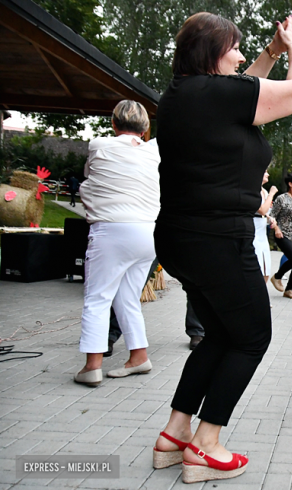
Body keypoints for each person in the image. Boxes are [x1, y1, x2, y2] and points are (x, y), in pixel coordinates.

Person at [152, 12, 292, 483]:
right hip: (217, 238)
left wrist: (269, 54)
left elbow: (242, 86)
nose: (242, 56)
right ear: (211, 52)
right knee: (251, 336)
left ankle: (174, 435)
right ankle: (206, 445)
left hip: (182, 237)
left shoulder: (183, 95)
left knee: (220, 334)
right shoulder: (213, 94)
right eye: (235, 48)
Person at [74, 100, 160, 387]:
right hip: (148, 233)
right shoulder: (155, 153)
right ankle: (139, 357)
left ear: (113, 125)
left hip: (111, 231)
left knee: (98, 298)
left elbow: (89, 178)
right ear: (146, 129)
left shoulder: (99, 146)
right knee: (127, 298)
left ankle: (92, 367)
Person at [254, 171, 278, 284]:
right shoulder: (253, 191)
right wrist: (272, 194)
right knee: (257, 267)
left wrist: (270, 219)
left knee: (266, 269)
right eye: (265, 172)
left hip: (263, 233)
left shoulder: (264, 191)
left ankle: (261, 298)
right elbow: (261, 210)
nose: (268, 174)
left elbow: (265, 212)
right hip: (253, 231)